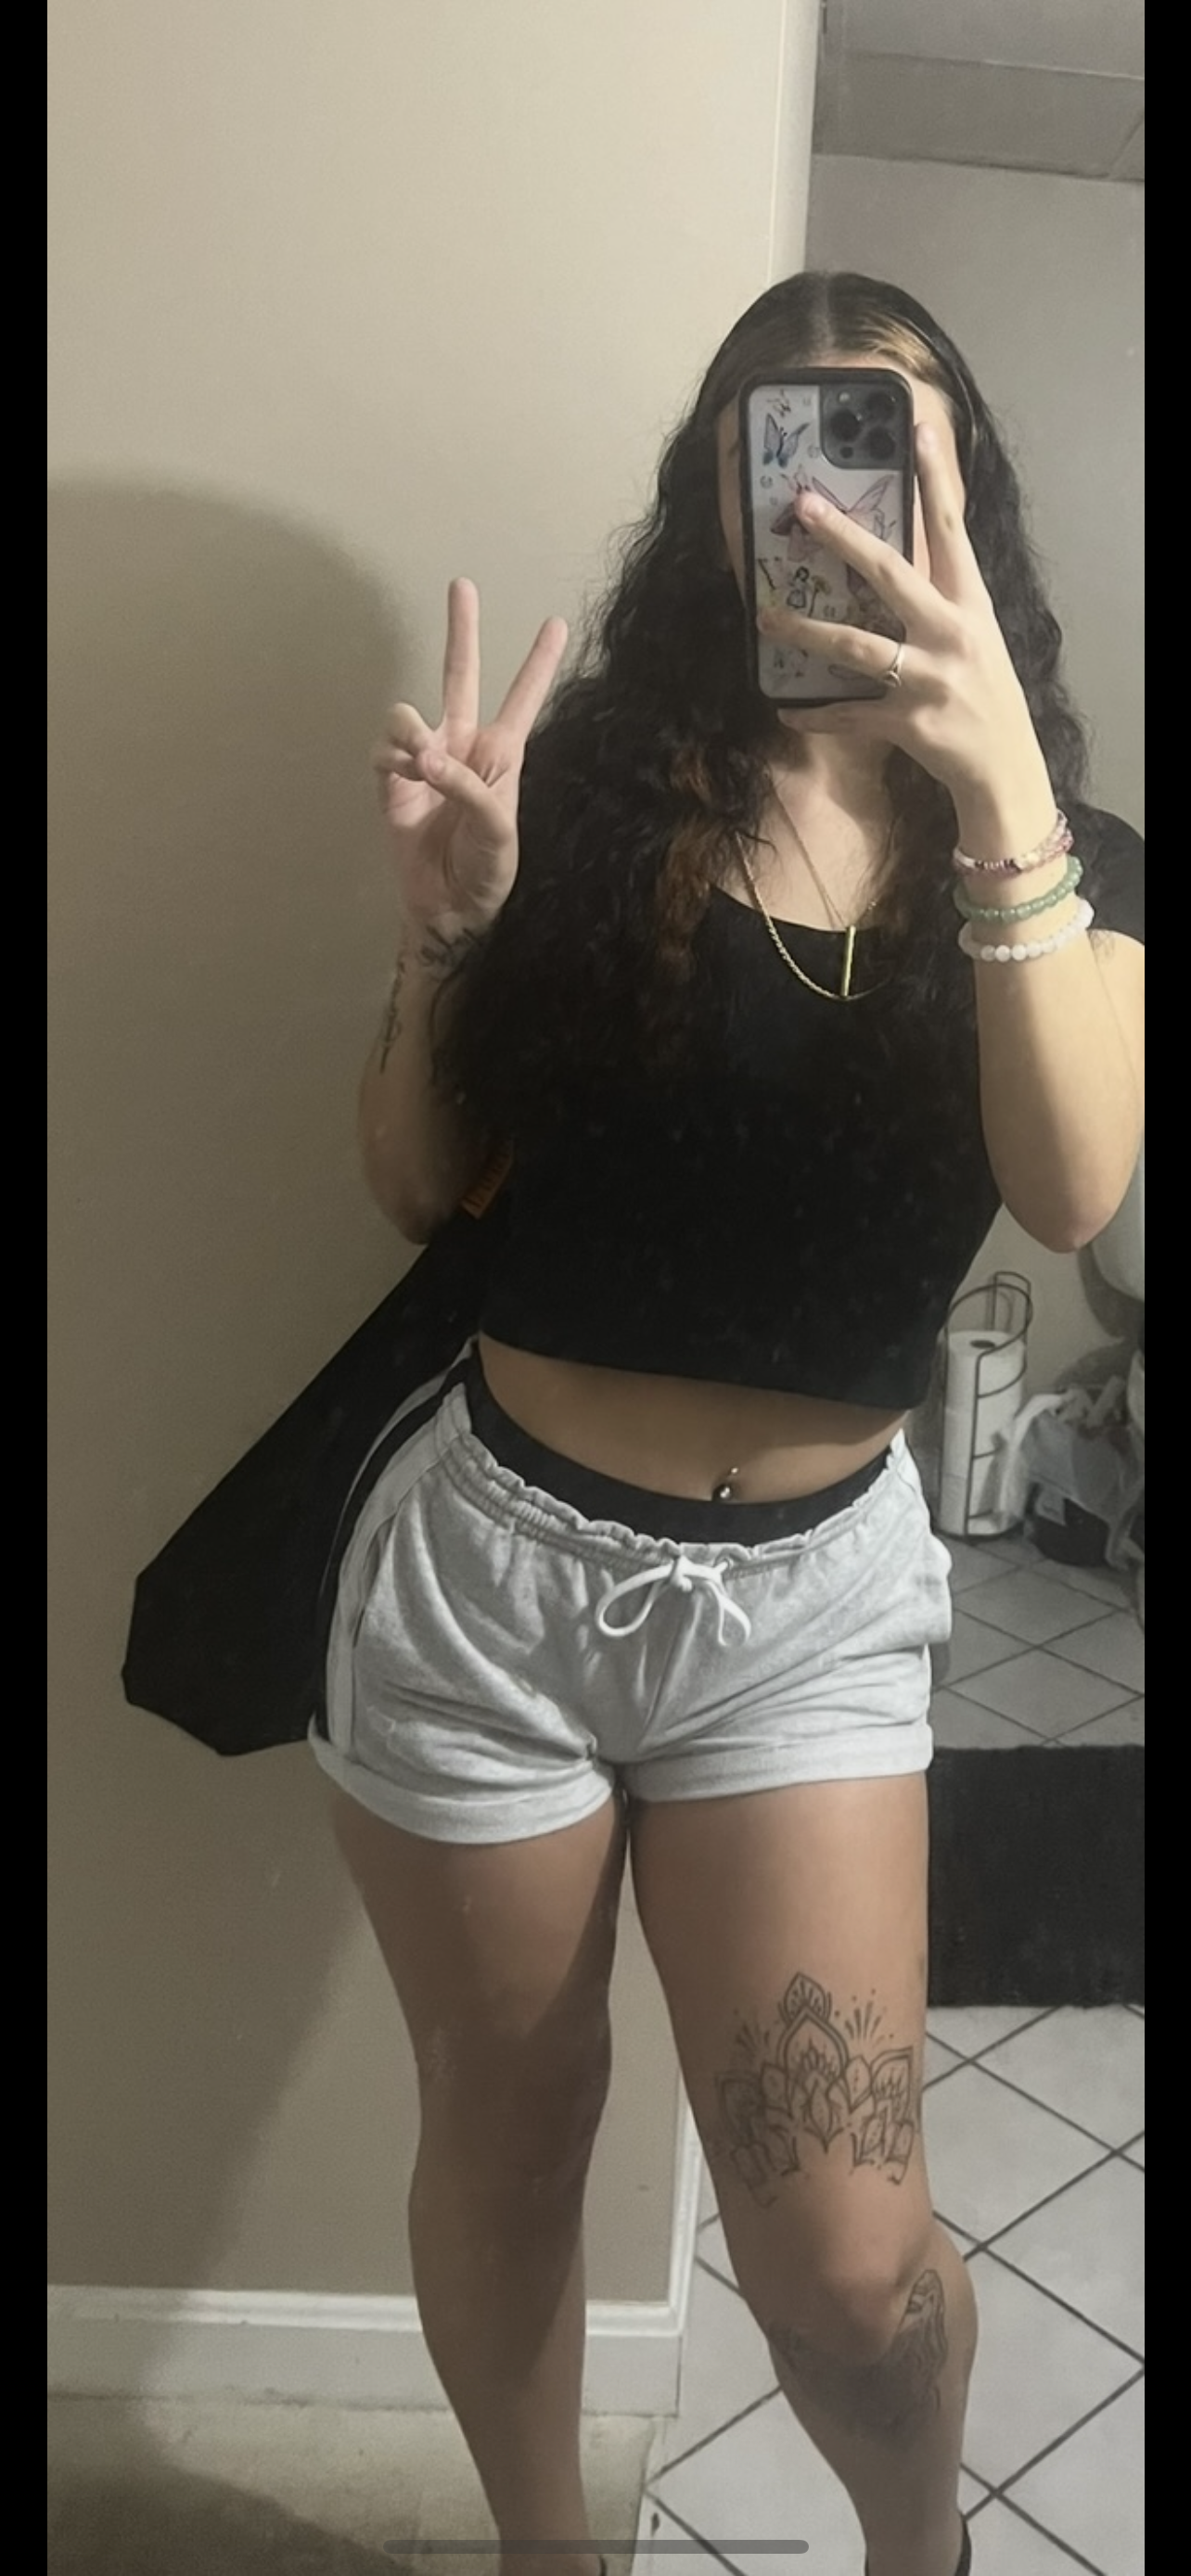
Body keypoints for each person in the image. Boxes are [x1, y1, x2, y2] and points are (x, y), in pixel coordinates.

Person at [311, 274, 1145, 2576]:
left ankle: (919, 2555)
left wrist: (997, 792)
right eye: (787, 441)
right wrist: (445, 935)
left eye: (893, 436)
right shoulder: (582, 802)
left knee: (850, 2272)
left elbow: (1077, 1191)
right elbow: (414, 1186)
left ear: (962, 487)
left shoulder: (1071, 852)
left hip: (805, 1614)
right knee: (510, 2135)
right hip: (486, 1586)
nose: (835, 491)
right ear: (719, 488)